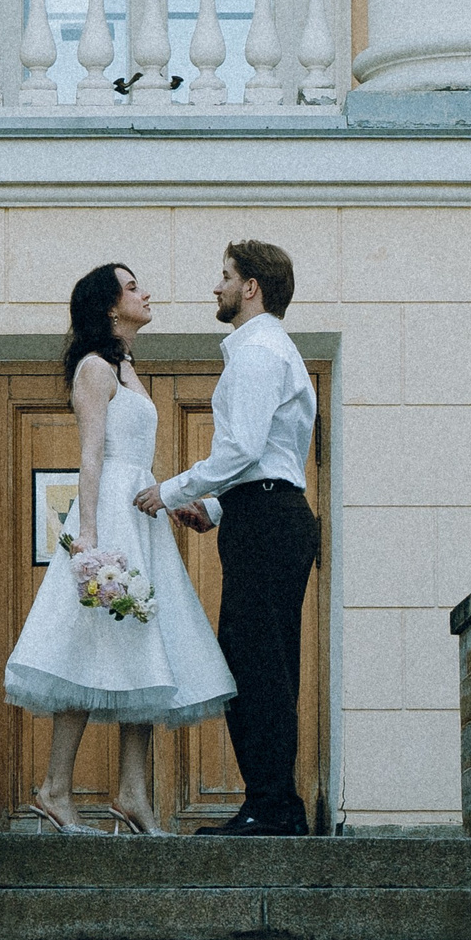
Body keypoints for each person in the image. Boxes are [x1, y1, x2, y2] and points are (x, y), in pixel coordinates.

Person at [3, 263, 235, 836]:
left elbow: (135, 456)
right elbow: (91, 455)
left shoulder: (128, 367)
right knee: (86, 645)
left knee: (145, 648)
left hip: (140, 513)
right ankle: (55, 789)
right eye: (132, 287)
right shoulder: (94, 368)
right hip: (108, 515)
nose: (145, 293)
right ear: (109, 306)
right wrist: (88, 535)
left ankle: (133, 794)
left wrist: (169, 498)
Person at [136, 241, 319, 836]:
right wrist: (215, 508)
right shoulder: (268, 349)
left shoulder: (259, 351)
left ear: (251, 287)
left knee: (256, 663)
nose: (216, 287)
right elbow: (273, 455)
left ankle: (272, 807)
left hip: (267, 522)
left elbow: (243, 447)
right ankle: (273, 803)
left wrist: (170, 491)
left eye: (225, 277)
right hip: (264, 515)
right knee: (259, 660)